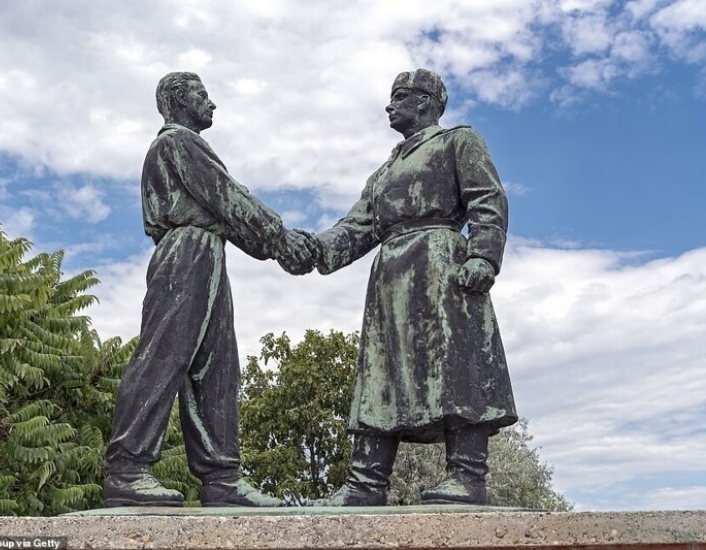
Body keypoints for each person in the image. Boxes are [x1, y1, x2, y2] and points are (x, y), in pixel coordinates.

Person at [104, 72, 313, 508]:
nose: (212, 103)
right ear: (179, 100)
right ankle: (127, 468)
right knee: (163, 356)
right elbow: (229, 198)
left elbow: (230, 214)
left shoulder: (185, 145)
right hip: (186, 253)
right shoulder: (176, 143)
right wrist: (281, 240)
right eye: (202, 95)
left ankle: (221, 478)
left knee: (217, 366)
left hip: (208, 251)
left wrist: (268, 244)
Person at [311, 69, 517, 506]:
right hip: (391, 279)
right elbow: (355, 227)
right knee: (380, 375)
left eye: (399, 97)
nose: (389, 106)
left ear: (425, 102)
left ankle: (467, 475)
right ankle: (365, 484)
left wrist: (483, 254)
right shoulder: (383, 172)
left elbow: (487, 197)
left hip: (441, 268)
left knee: (457, 368)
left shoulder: (457, 141)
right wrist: (310, 249)